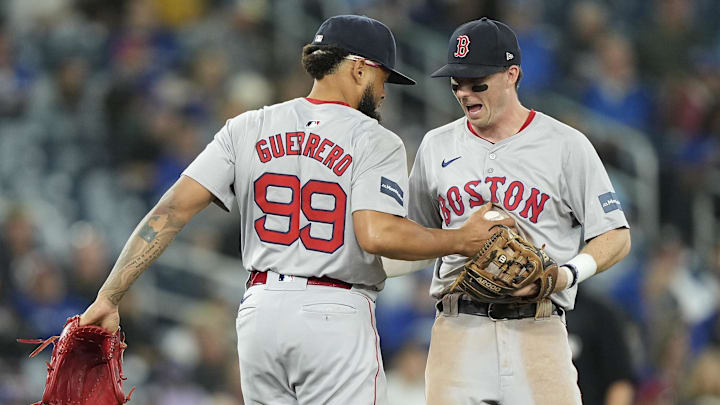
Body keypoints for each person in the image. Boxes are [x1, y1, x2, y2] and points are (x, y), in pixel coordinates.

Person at [78, 15, 512, 404]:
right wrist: (460, 239)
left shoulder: (247, 126)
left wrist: (108, 295)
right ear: (358, 66)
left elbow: (170, 211)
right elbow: (376, 235)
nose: (382, 92)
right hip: (333, 315)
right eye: (382, 78)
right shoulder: (375, 139)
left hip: (259, 314)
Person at [407, 17, 632, 404]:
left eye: (478, 83)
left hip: (538, 326)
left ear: (512, 74)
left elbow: (615, 234)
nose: (464, 93)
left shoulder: (565, 145)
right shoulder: (436, 146)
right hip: (459, 326)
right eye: (456, 83)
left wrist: (567, 274)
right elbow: (415, 236)